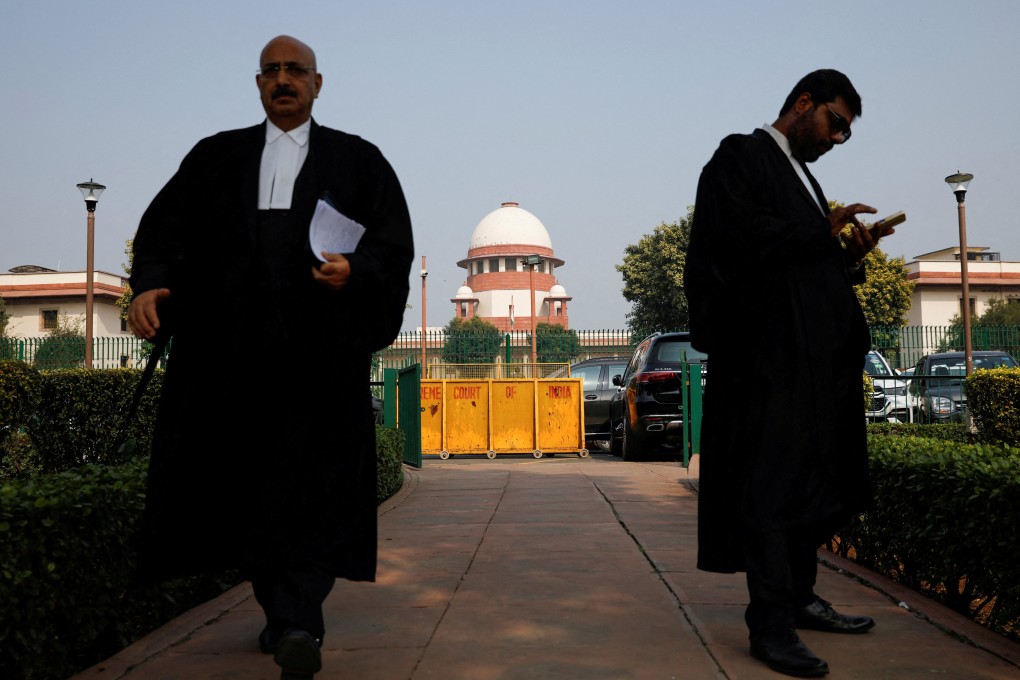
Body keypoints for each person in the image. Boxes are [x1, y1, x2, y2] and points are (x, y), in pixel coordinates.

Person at [128, 35, 414, 680]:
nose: (284, 80)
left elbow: (391, 248)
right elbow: (163, 233)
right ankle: (284, 616)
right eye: (272, 71)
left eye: (297, 71)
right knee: (247, 493)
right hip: (232, 367)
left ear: (319, 83)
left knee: (316, 492)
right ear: (259, 84)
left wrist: (356, 269)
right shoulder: (215, 159)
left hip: (318, 367)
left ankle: (297, 620)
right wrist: (147, 284)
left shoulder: (358, 162)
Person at [683, 69, 895, 678]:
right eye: (835, 124)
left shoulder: (803, 177)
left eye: (846, 133)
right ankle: (770, 625)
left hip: (813, 370)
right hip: (766, 369)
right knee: (771, 491)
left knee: (813, 486)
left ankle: (800, 598)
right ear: (804, 104)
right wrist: (816, 232)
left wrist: (843, 254)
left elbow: (797, 262)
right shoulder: (741, 155)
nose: (836, 139)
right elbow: (738, 241)